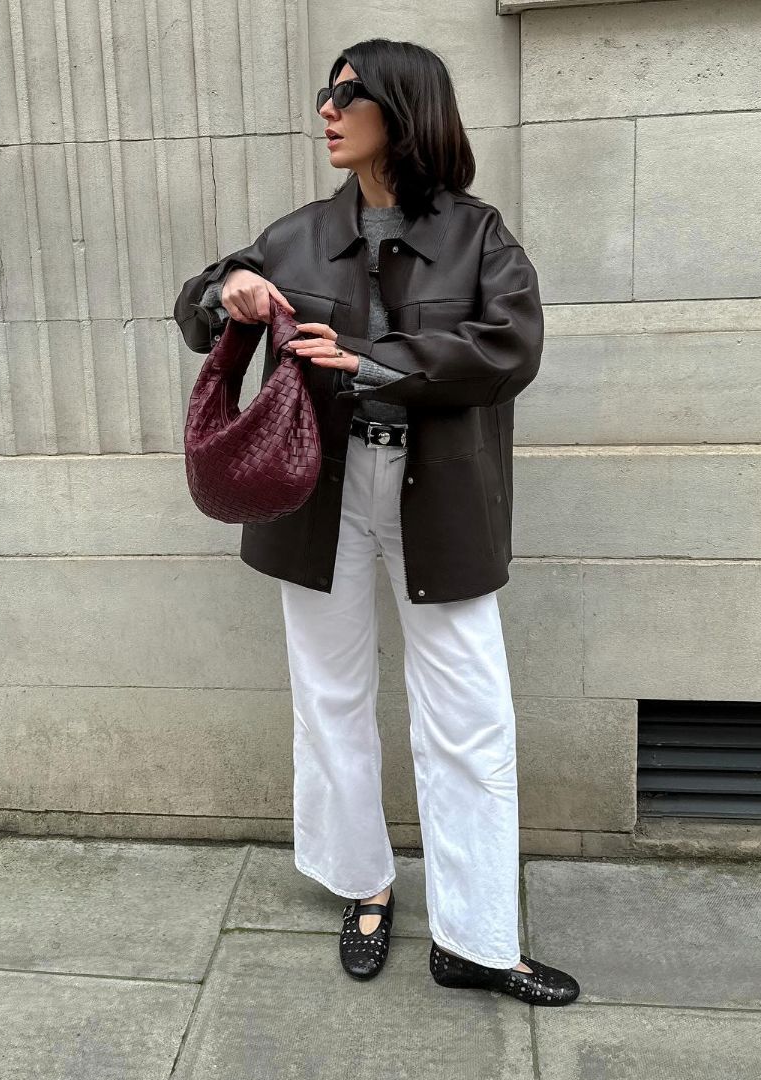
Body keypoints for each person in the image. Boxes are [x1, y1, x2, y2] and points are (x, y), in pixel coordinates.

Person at [176, 38, 579, 1007]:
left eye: (349, 93)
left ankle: (477, 940)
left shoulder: (479, 235)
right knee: (330, 697)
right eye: (327, 90)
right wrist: (223, 291)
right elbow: (196, 313)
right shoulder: (298, 233)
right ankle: (363, 884)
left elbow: (510, 345)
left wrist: (375, 359)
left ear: (403, 109)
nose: (328, 107)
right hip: (318, 492)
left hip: (437, 491)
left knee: (471, 715)